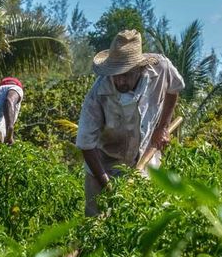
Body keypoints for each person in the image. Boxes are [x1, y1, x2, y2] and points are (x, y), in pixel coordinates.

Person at [76, 29, 185, 216]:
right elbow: (86, 145)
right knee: (95, 223)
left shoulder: (161, 69)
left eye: (125, 74)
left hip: (144, 160)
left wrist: (162, 127)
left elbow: (173, 90)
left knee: (141, 217)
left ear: (139, 67)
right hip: (104, 165)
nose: (119, 79)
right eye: (115, 73)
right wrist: (109, 187)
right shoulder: (97, 95)